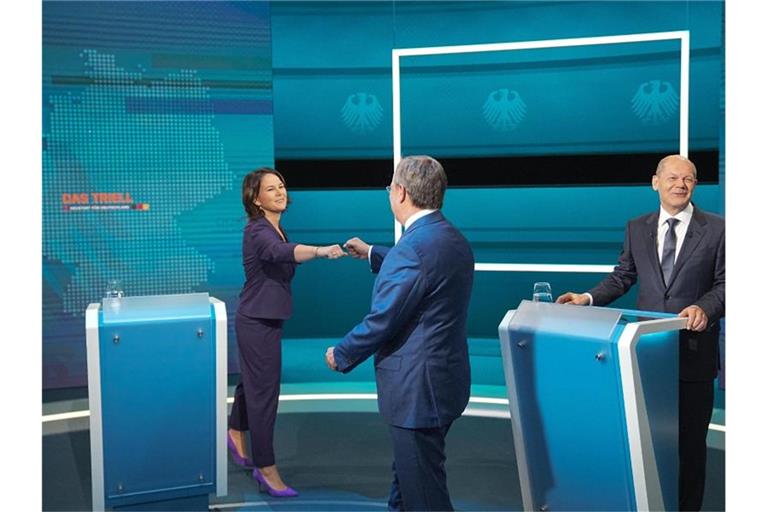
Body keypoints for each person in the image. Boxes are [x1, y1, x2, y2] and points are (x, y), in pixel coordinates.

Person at [556, 154, 724, 511]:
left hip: (693, 355)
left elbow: (728, 283)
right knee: (647, 444)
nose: (681, 184)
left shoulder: (718, 229)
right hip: (647, 355)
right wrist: (587, 298)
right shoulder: (637, 227)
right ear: (655, 182)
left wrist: (704, 309)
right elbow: (623, 276)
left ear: (695, 185)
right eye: (673, 178)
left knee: (691, 448)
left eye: (689, 179)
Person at [325, 156, 475, 511]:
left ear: (402, 193)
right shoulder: (450, 237)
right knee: (408, 487)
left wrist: (342, 353)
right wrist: (374, 253)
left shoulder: (413, 249)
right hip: (443, 383)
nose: (389, 192)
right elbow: (425, 270)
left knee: (424, 497)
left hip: (417, 392)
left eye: (390, 186)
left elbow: (383, 319)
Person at [228, 167, 346, 497]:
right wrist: (321, 251)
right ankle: (266, 469)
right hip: (256, 322)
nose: (280, 192)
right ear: (255, 198)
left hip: (265, 320)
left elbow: (284, 254)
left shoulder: (276, 228)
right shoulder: (257, 231)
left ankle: (236, 430)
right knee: (264, 396)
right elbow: (281, 254)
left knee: (253, 383)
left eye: (281, 186)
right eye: (270, 189)